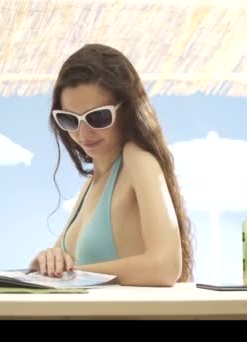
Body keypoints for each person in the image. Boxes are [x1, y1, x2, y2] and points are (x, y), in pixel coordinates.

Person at [29, 44, 193, 286]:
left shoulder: (138, 159)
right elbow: (61, 267)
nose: (83, 133)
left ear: (126, 110)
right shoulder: (90, 184)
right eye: (69, 120)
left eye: (98, 117)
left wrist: (77, 273)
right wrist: (47, 260)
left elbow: (166, 266)